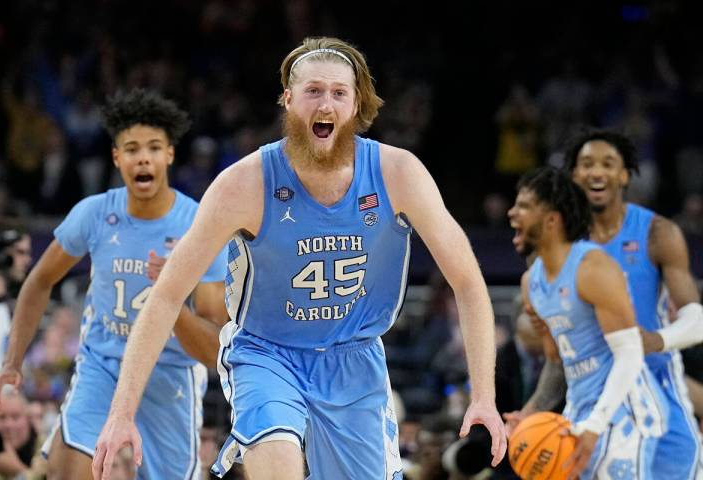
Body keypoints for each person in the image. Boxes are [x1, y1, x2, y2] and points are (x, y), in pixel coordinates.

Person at [92, 37, 506, 480]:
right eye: (313, 91)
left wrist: (484, 395)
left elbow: (467, 280)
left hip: (355, 358)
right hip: (267, 353)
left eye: (338, 93)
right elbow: (166, 295)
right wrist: (121, 412)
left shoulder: (398, 174)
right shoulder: (243, 184)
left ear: (356, 104)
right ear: (288, 100)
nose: (325, 103)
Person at [0, 89, 229, 479]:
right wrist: (12, 362)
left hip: (168, 377)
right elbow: (39, 280)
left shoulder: (199, 227)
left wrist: (172, 298)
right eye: (131, 148)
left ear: (169, 155)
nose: (143, 157)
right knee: (67, 473)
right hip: (102, 365)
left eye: (153, 147)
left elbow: (216, 349)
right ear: (117, 158)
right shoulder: (95, 214)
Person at [507, 166, 666, 479]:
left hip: (623, 414)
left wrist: (595, 425)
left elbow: (631, 353)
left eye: (524, 206)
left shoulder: (593, 268)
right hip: (578, 413)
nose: (512, 213)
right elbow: (556, 363)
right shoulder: (532, 282)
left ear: (552, 219)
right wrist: (530, 412)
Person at [565, 128, 703, 479]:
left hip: (657, 381)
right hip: (592, 391)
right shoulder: (559, 241)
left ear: (625, 175)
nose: (597, 171)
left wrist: (654, 340)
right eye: (587, 164)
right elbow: (536, 319)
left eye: (608, 164)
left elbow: (697, 319)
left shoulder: (658, 232)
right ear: (574, 175)